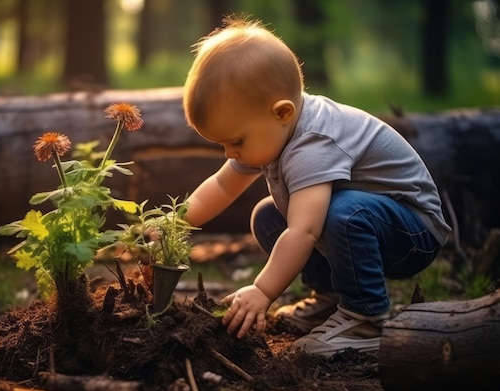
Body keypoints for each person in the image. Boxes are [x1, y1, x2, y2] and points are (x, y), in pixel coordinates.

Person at [180, 17, 451, 357]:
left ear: (282, 112)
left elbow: (305, 232)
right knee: (268, 215)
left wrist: (263, 291)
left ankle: (366, 317)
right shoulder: (274, 129)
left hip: (412, 233)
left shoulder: (313, 143)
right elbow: (222, 186)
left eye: (235, 141)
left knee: (341, 213)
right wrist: (176, 222)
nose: (230, 153)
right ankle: (329, 298)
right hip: (370, 222)